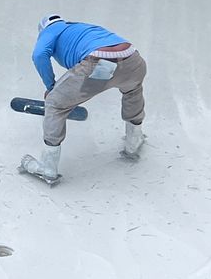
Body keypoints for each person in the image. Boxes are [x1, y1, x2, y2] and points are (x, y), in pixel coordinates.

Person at [20, 16, 147, 185]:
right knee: (132, 91)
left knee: (55, 104)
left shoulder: (50, 30)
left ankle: (47, 167)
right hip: (133, 59)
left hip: (101, 64)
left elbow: (39, 54)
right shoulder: (81, 28)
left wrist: (51, 87)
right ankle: (133, 141)